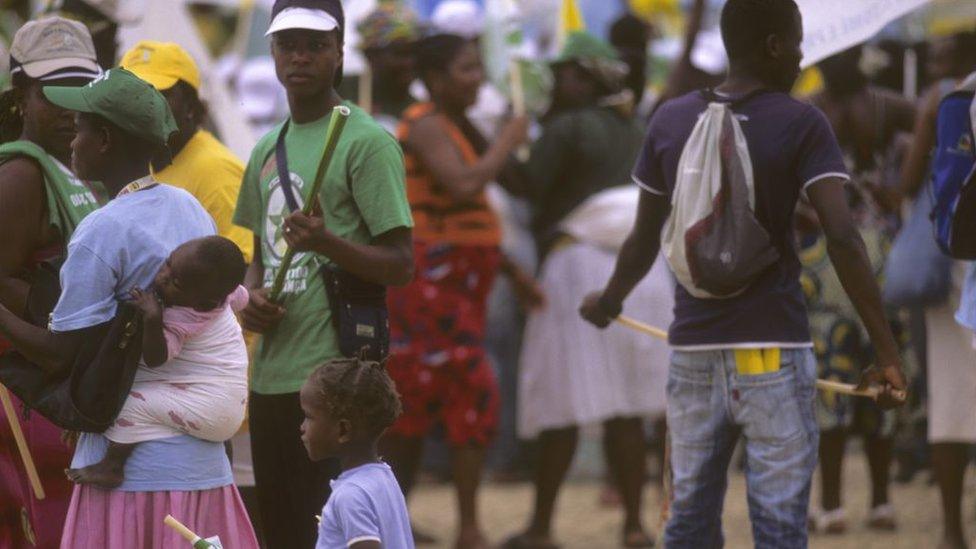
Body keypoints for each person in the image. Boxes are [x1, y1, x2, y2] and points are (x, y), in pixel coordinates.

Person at [579, 1, 908, 547]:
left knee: (687, 523)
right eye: (799, 43)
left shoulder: (669, 118)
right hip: (774, 351)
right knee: (779, 526)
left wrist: (609, 302)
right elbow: (843, 237)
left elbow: (643, 238)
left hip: (693, 356)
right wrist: (887, 354)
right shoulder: (802, 120)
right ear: (775, 45)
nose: (805, 57)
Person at [0, 67, 258, 547]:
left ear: (102, 139)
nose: (71, 140)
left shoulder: (103, 230)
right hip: (202, 465)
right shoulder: (189, 207)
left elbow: (61, 354)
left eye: (78, 129)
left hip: (135, 478)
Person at [232, 1, 415, 547]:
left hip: (335, 384)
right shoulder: (267, 148)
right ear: (272, 53)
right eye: (288, 45)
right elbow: (259, 255)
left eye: (315, 45)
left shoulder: (367, 142)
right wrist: (252, 296)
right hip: (269, 379)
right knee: (284, 533)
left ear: (339, 53)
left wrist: (326, 241)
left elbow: (402, 263)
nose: (300, 57)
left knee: (337, 534)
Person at [507, 31, 669, 549]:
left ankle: (540, 527)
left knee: (562, 401)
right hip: (643, 272)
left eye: (564, 76)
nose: (555, 86)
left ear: (584, 78)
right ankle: (635, 525)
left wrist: (497, 140)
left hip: (577, 268)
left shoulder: (568, 126)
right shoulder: (637, 127)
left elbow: (528, 185)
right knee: (625, 407)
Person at [381, 32, 530, 549]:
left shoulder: (449, 123)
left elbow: (472, 209)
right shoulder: (423, 124)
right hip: (432, 285)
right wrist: (508, 138)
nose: (478, 79)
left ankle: (450, 522)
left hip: (459, 283)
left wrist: (512, 271)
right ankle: (450, 524)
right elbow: (464, 186)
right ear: (437, 79)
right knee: (433, 390)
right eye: (467, 69)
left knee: (446, 392)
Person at [803, 45, 918, 534]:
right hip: (828, 253)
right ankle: (835, 501)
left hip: (873, 249)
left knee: (883, 372)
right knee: (834, 378)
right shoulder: (808, 110)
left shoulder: (888, 105)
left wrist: (907, 183)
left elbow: (937, 127)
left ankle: (877, 500)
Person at [0, 16, 102, 548]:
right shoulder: (20, 174)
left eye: (81, 88)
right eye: (52, 92)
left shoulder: (73, 165)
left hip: (67, 384)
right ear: (21, 92)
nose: (68, 106)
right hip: (33, 396)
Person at [62, 236, 249, 489]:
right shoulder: (219, 293)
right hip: (223, 401)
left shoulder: (186, 318)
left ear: (203, 303)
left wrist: (153, 318)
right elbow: (242, 297)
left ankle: (112, 467)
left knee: (129, 404)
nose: (162, 277)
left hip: (213, 409)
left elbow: (156, 358)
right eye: (168, 264)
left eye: (176, 283)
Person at [896, 33, 976, 549]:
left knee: (950, 404)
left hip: (956, 269)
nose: (936, 67)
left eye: (944, 58)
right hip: (960, 272)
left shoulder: (948, 102)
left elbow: (909, 184)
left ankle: (951, 530)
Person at [121, 41, 253, 262]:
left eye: (159, 94)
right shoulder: (146, 160)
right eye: (133, 94)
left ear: (190, 105)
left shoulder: (217, 170)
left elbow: (240, 267)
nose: (144, 105)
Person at [301, 356, 413, 549]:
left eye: (309, 417)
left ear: (343, 430)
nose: (302, 427)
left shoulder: (350, 495)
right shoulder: (384, 477)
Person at [356, 2, 421, 134]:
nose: (410, 62)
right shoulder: (338, 94)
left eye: (415, 52)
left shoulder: (420, 111)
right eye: (400, 53)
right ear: (371, 56)